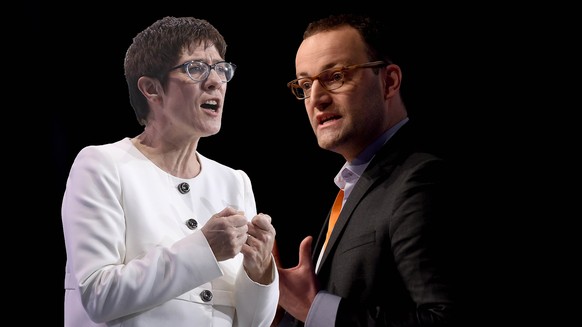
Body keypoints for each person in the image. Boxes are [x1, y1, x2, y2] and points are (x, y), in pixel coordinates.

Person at [62, 16, 279, 327]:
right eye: (196, 68)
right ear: (151, 89)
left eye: (220, 68)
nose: (215, 80)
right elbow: (99, 295)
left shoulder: (234, 181)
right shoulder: (103, 166)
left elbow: (252, 322)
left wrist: (259, 270)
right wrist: (203, 249)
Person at [273, 13, 461, 326]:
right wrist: (282, 314)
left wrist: (312, 308)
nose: (316, 98)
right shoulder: (356, 185)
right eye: (305, 84)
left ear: (389, 82)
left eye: (335, 77)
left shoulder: (421, 180)